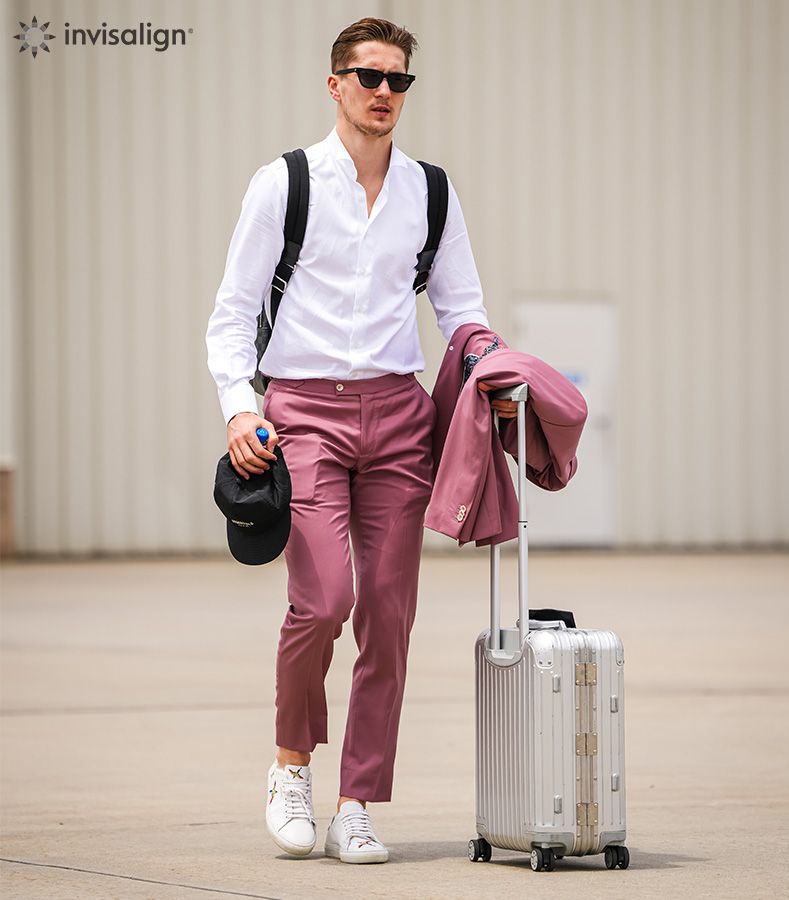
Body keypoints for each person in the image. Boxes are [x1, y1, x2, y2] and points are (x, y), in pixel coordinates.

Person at [206, 16, 515, 864]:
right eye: (368, 77)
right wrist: (241, 408)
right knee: (323, 600)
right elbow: (232, 315)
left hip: (398, 418)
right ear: (334, 83)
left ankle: (358, 802)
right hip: (301, 412)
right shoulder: (285, 184)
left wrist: (489, 358)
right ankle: (291, 768)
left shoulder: (432, 193)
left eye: (398, 81)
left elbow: (461, 309)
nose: (384, 93)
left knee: (387, 613)